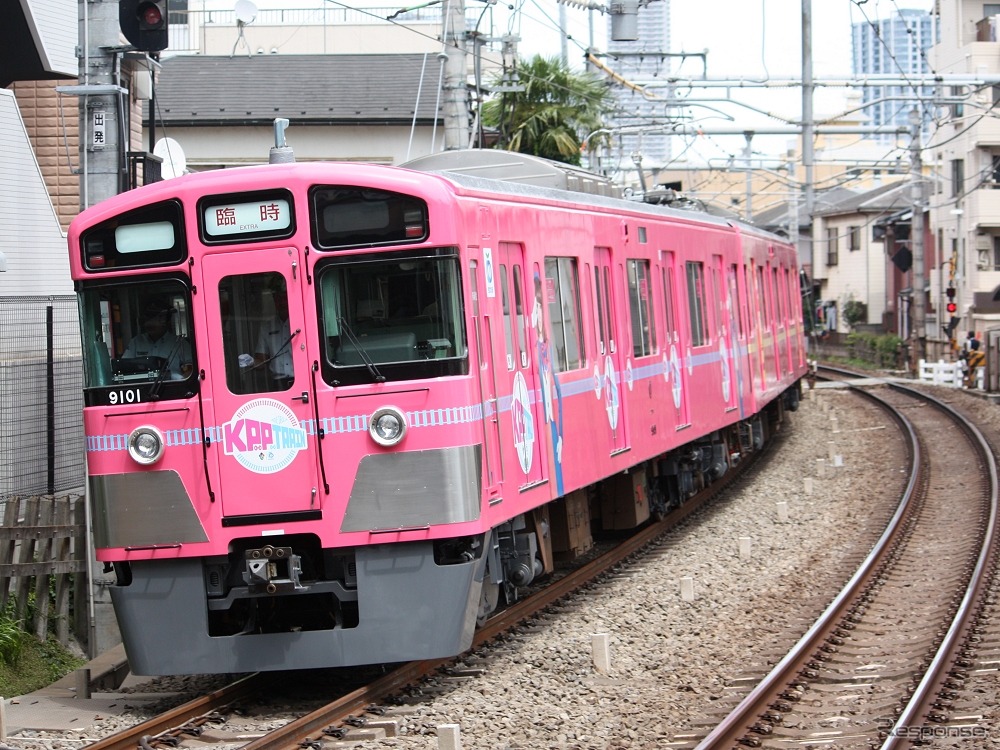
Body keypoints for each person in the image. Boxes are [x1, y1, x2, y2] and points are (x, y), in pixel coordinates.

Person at [122, 297, 193, 379]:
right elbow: (124, 367)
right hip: (143, 388)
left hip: (173, 388)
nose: (150, 323)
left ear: (166, 321)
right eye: (148, 319)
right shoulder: (136, 342)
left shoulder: (180, 343)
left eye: (156, 319)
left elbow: (190, 371)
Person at [246, 279, 295, 389]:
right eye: (278, 299)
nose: (281, 303)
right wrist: (251, 361)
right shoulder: (267, 327)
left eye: (284, 298)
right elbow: (262, 362)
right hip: (278, 384)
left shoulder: (302, 323)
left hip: (301, 380)